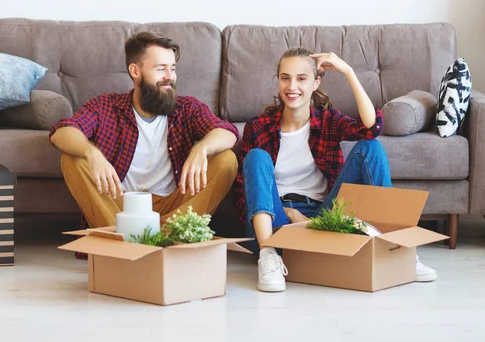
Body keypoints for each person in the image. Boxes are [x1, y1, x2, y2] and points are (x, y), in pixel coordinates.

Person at [233, 47, 437, 292]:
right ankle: (268, 256)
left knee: (370, 147)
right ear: (278, 80)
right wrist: (288, 214)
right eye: (285, 78)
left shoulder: (328, 121)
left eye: (301, 78)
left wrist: (348, 72)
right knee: (256, 157)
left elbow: (371, 128)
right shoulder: (258, 127)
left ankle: (396, 250)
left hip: (321, 216)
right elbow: (242, 193)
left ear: (316, 83)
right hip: (273, 221)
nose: (292, 86)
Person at [50, 31, 239, 230]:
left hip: (174, 205)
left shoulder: (187, 107)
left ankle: (166, 234)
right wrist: (92, 153)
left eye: (172, 68)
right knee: (73, 158)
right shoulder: (105, 105)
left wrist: (201, 149)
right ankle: (124, 238)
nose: (170, 77)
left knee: (226, 159)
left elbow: (227, 133)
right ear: (135, 71)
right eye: (160, 69)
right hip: (120, 207)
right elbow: (61, 132)